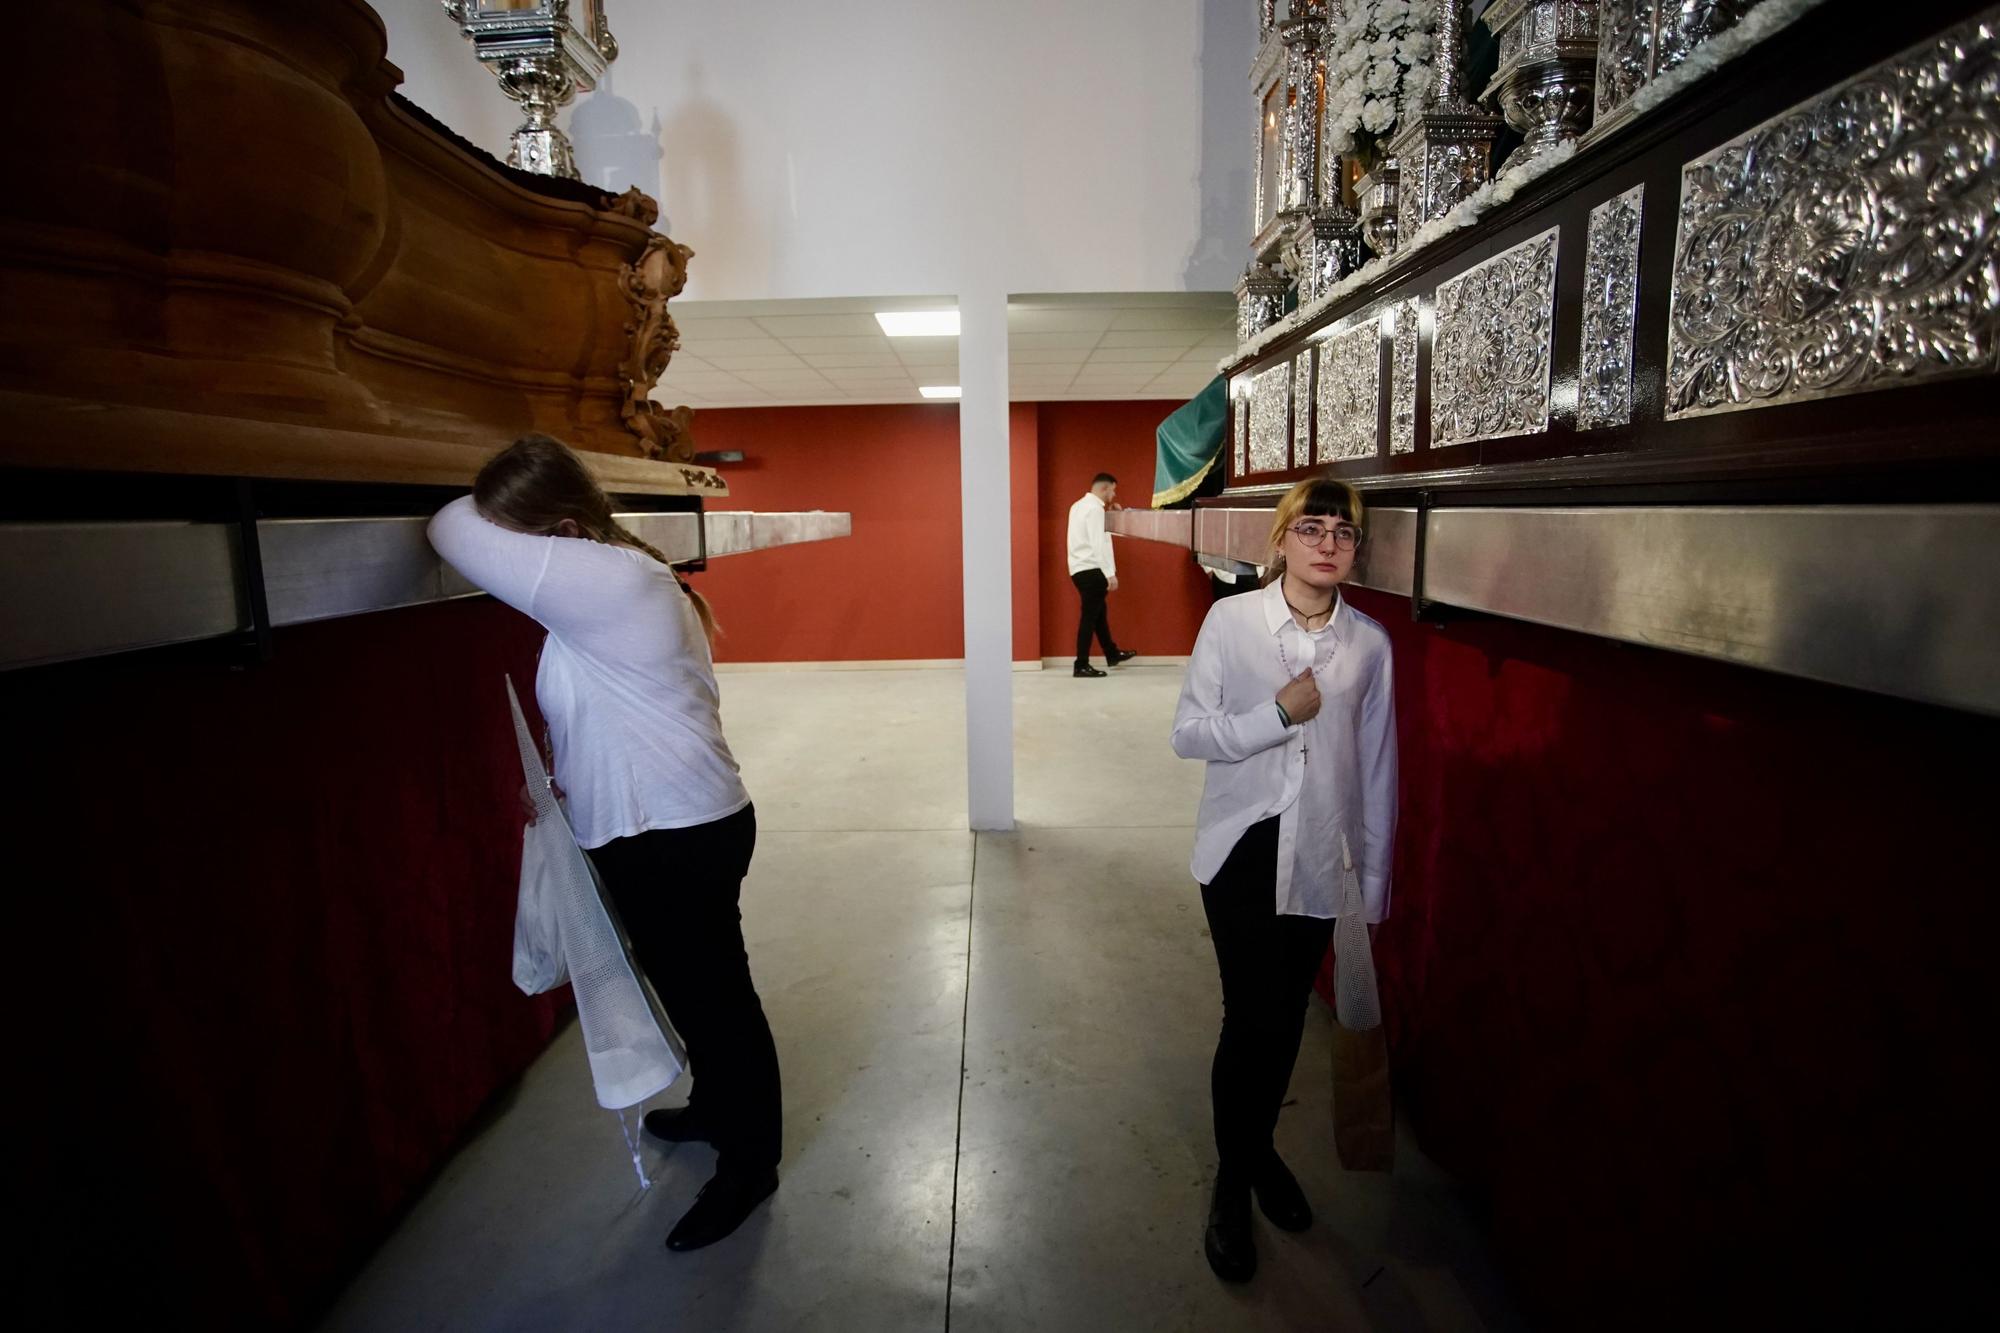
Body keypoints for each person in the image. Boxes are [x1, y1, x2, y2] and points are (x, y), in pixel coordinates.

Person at [427, 433, 782, 1253]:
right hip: (655, 825)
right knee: (693, 989)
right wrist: (567, 776)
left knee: (719, 1000)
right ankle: (719, 1108)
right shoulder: (605, 580)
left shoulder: (611, 578)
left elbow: (449, 526)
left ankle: (750, 1161)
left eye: (520, 537)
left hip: (677, 832)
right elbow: (600, 701)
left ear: (560, 527)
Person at [1169, 476, 1399, 1284]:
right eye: (1313, 527)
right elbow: (1188, 732)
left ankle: (1257, 1149)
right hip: (1240, 852)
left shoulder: (1369, 643)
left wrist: (1370, 888)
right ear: (1282, 539)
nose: (1329, 542)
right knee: (1250, 1020)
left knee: (1284, 1024)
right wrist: (1274, 714)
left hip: (1319, 856)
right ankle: (1235, 1183)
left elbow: (1377, 769)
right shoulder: (1231, 622)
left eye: (1344, 531)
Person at [1066, 472, 1139, 677]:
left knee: (1098, 614)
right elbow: (1099, 543)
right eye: (1113, 490)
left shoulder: (1078, 506)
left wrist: (1112, 516)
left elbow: (1095, 535)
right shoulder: (1094, 509)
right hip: (1092, 569)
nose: (1114, 495)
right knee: (1089, 617)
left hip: (1079, 568)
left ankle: (1112, 653)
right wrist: (1109, 573)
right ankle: (1081, 664)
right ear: (1104, 488)